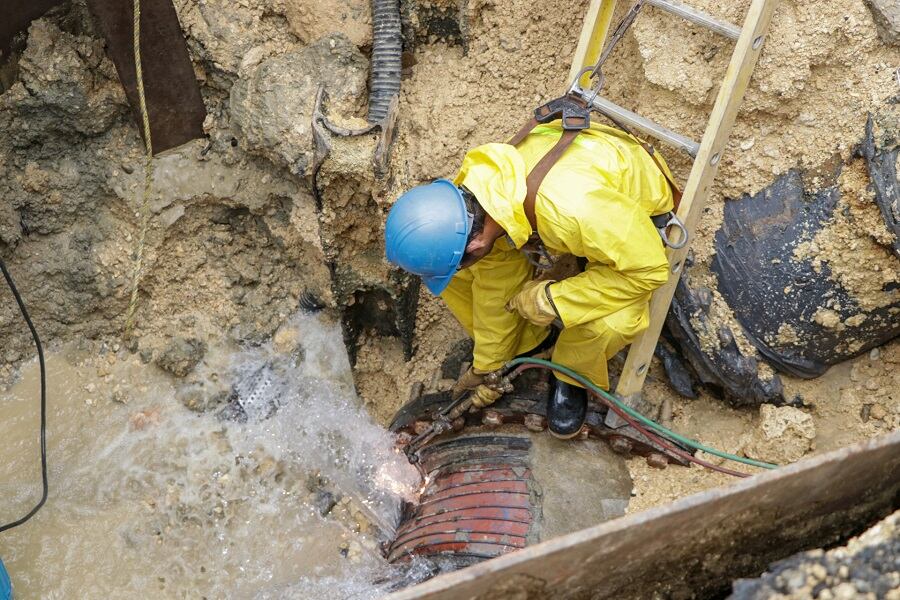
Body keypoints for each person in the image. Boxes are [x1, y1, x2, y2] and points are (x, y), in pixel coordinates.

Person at [384, 120, 676, 438]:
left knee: (608, 323)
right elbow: (494, 287)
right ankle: (529, 345)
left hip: (630, 222)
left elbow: (648, 270)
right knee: (459, 277)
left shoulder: (572, 210)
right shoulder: (474, 200)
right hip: (588, 207)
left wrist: (553, 298)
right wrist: (487, 366)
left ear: (475, 244)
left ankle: (572, 374)